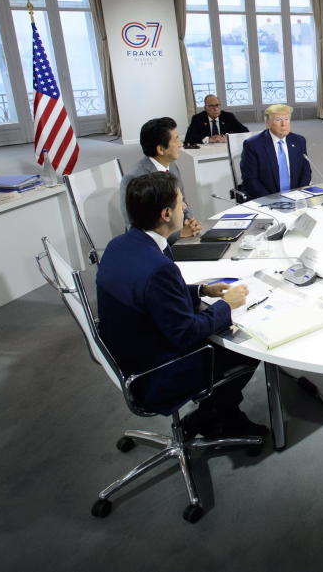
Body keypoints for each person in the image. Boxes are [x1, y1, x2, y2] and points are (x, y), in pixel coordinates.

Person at [97, 171, 268, 438]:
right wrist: (226, 306)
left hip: (128, 352)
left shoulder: (119, 245)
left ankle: (213, 413)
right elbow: (186, 333)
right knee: (246, 347)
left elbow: (154, 296)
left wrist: (202, 290)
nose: (185, 206)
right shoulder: (158, 268)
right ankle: (218, 416)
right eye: (180, 201)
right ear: (166, 214)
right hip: (155, 371)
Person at [120, 117, 202, 241]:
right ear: (161, 149)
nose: (181, 144)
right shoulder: (135, 178)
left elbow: (182, 203)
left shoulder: (172, 166)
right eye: (176, 140)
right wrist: (179, 234)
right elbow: (136, 229)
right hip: (150, 248)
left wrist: (190, 222)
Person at [240, 103, 311, 199]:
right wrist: (272, 200)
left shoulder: (299, 141)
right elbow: (250, 180)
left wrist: (299, 193)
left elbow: (306, 171)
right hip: (266, 198)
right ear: (267, 123)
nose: (284, 124)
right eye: (278, 120)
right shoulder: (253, 145)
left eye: (286, 119)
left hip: (295, 197)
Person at [183, 94, 249, 146]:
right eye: (211, 106)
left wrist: (226, 137)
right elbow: (188, 138)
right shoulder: (198, 118)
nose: (215, 109)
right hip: (206, 151)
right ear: (205, 108)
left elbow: (245, 131)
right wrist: (209, 139)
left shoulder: (228, 116)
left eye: (217, 105)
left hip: (225, 149)